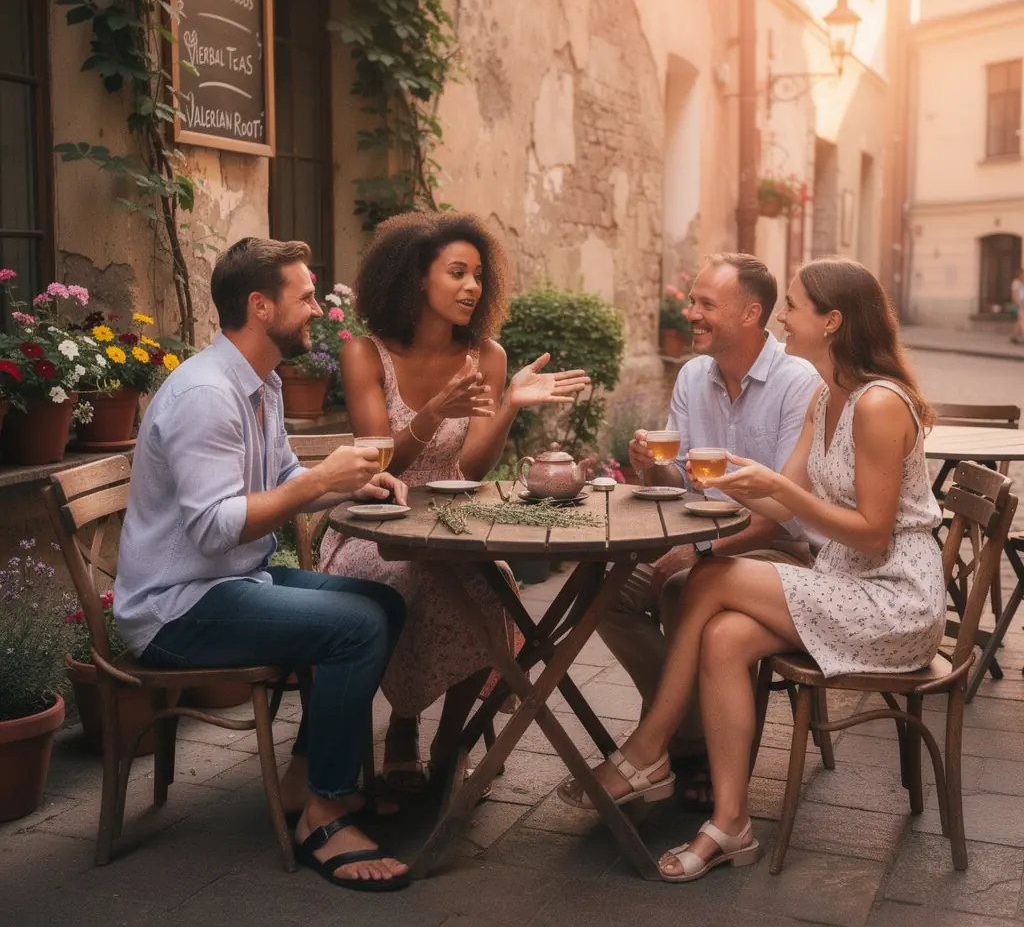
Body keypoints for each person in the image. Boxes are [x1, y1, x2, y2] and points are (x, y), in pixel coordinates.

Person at [560, 257, 944, 884]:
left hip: (895, 598)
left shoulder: (878, 404)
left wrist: (773, 493)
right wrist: (742, 479)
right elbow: (781, 493)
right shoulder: (828, 397)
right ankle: (731, 822)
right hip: (845, 581)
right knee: (722, 635)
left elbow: (874, 531)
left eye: (792, 306)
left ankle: (648, 750)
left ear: (833, 321)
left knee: (708, 577)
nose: (783, 317)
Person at [114, 237, 412, 892]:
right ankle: (326, 815)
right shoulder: (205, 395)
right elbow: (215, 528)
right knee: (356, 626)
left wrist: (346, 483)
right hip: (176, 607)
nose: (317, 310)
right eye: (306, 296)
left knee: (383, 600)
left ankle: (304, 781)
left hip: (231, 581)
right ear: (259, 305)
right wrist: (316, 483)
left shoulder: (262, 381)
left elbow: (280, 475)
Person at [319, 211, 590, 797]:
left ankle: (452, 740)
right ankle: (402, 728)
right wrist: (436, 409)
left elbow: (468, 469)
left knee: (490, 591)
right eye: (457, 273)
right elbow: (379, 463)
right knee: (401, 580)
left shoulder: (486, 356)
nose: (473, 286)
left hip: (452, 522)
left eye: (478, 275)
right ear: (417, 278)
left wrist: (510, 403)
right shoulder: (365, 354)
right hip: (378, 524)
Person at [597, 252, 820, 808]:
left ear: (750, 314)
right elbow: (680, 483)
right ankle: (691, 733)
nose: (689, 312)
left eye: (704, 304)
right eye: (691, 301)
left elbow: (786, 515)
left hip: (781, 548)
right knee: (603, 591)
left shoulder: (799, 383)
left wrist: (701, 551)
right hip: (701, 536)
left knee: (683, 588)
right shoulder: (694, 375)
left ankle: (686, 753)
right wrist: (649, 464)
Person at [1011, 267, 1024, 344]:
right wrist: (1018, 303)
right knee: (1022, 320)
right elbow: (1014, 295)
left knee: (1020, 320)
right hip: (1019, 303)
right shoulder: (1016, 283)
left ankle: (1014, 336)